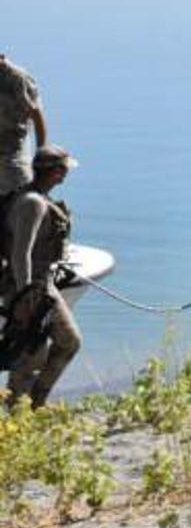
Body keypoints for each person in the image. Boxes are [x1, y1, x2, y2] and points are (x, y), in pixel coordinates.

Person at [1, 145, 79, 408]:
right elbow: (19, 253)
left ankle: (34, 403)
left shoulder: (38, 197)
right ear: (56, 172)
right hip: (28, 288)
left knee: (68, 342)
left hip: (43, 285)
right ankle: (15, 413)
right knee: (29, 352)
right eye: (65, 169)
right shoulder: (32, 203)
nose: (67, 173)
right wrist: (25, 297)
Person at [0, 54, 48, 196]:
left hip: (12, 165)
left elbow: (36, 115)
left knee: (23, 205)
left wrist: (41, 157)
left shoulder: (17, 78)